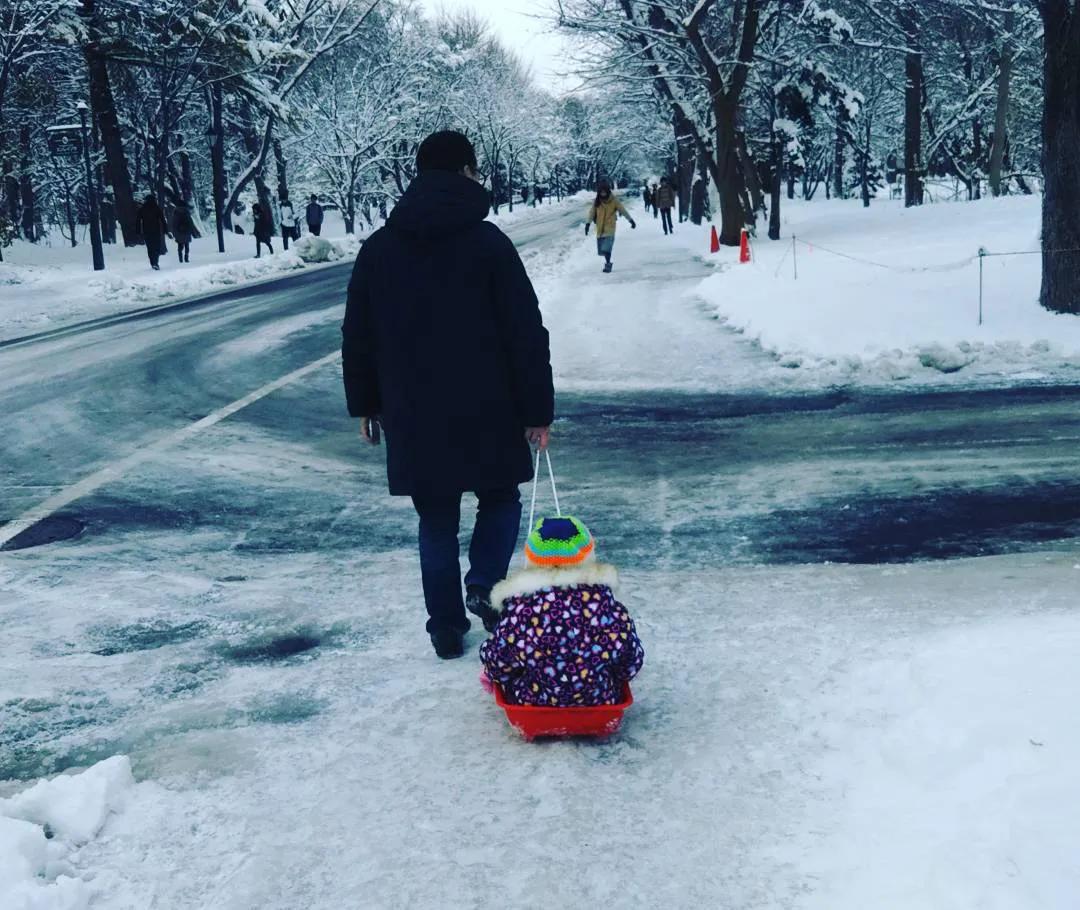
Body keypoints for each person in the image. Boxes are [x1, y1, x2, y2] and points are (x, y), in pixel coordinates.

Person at [341, 129, 554, 661]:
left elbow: (357, 333)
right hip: (490, 402)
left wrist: (366, 403)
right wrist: (536, 410)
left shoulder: (380, 248)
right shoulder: (489, 244)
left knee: (435, 515)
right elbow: (524, 330)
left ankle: (444, 625)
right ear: (464, 172)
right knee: (499, 496)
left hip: (413, 409)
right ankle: (484, 581)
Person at [479, 516, 644, 706]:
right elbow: (630, 658)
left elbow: (499, 658)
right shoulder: (605, 604)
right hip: (600, 700)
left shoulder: (520, 608)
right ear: (589, 558)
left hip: (531, 702)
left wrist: (492, 673)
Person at [585, 179, 636, 273]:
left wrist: (631, 221)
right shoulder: (597, 201)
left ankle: (608, 265)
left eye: (604, 192)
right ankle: (607, 261)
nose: (603, 194)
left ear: (607, 191)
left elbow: (623, 210)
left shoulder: (614, 201)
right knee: (602, 250)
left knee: (606, 248)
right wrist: (588, 224)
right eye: (601, 192)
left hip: (610, 227)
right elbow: (592, 212)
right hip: (600, 227)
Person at [135, 194, 168, 270]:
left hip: (146, 231)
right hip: (156, 231)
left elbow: (138, 220)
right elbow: (162, 219)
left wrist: (138, 231)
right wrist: (165, 230)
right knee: (156, 247)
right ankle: (155, 262)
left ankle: (152, 262)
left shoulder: (142, 209)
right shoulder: (156, 208)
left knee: (150, 248)